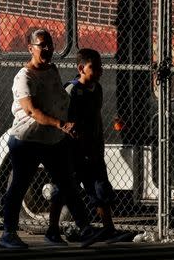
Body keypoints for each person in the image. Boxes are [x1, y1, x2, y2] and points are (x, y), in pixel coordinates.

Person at [0, 29, 92, 249]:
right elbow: (32, 111)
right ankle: (8, 234)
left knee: (67, 183)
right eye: (42, 45)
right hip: (27, 141)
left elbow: (59, 100)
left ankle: (85, 228)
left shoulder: (52, 70)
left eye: (50, 44)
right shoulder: (24, 76)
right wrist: (61, 124)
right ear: (30, 48)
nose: (48, 49)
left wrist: (67, 124)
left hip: (52, 140)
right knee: (19, 185)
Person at [64, 48, 118, 242]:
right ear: (81, 68)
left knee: (100, 187)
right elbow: (66, 122)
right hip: (76, 151)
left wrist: (98, 145)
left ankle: (108, 227)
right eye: (94, 68)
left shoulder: (98, 89)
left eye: (100, 67)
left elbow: (96, 119)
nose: (99, 72)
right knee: (67, 189)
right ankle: (57, 228)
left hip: (94, 149)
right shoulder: (71, 90)